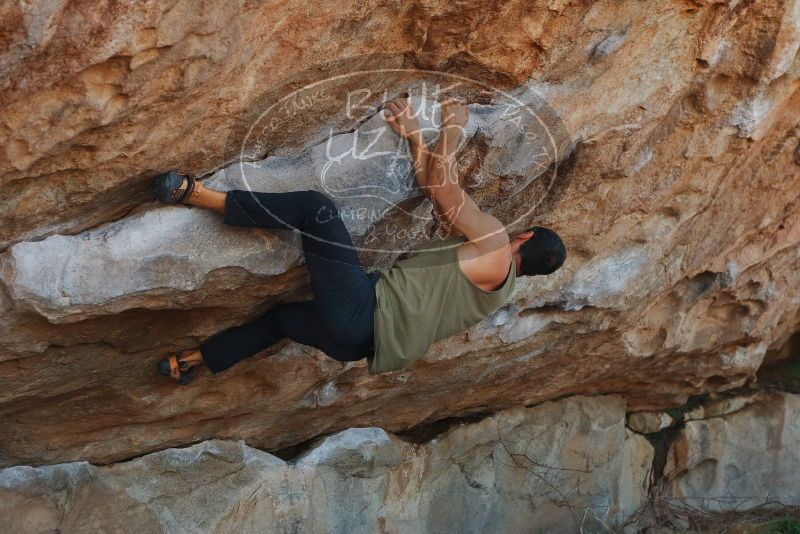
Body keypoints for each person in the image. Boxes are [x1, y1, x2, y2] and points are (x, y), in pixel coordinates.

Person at [153, 98, 566, 384]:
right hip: (358, 342)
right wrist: (416, 139)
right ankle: (189, 362)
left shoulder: (495, 242)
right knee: (280, 320)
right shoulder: (494, 276)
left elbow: (442, 188)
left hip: (364, 312)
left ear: (524, 236)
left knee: (316, 208)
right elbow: (436, 190)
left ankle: (197, 193)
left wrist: (454, 127)